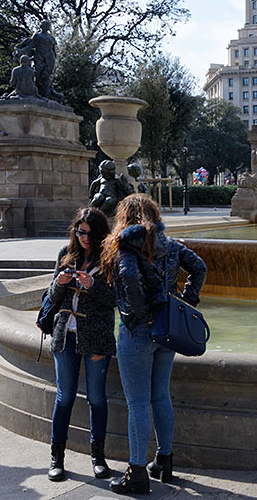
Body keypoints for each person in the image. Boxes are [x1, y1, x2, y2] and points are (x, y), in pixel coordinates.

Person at [101, 194, 207, 494]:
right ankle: (164, 461)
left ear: (124, 217)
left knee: (137, 403)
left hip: (137, 332)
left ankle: (136, 473)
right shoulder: (169, 244)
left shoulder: (125, 243)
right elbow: (199, 268)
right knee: (161, 396)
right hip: (167, 331)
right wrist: (185, 303)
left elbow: (129, 277)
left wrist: (143, 315)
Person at [45, 208, 115, 482]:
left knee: (97, 398)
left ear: (99, 233)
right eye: (80, 232)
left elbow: (115, 299)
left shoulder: (109, 257)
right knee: (64, 397)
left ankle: (98, 457)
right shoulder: (65, 253)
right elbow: (52, 295)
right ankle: (57, 457)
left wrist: (93, 285)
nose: (85, 237)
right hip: (65, 334)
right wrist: (61, 282)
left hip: (96, 336)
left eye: (90, 233)